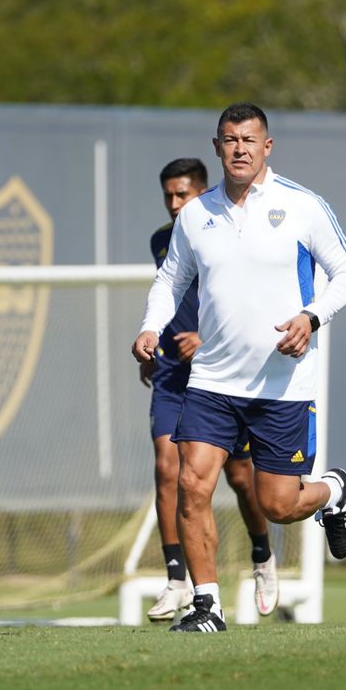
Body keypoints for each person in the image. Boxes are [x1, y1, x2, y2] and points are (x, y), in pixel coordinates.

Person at [131, 103, 346, 632]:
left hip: (283, 383)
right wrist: (151, 326)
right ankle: (206, 605)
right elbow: (170, 281)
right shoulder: (196, 215)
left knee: (277, 503)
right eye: (229, 139)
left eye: (249, 140)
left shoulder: (303, 206)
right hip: (212, 380)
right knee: (193, 484)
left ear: (267, 147)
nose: (239, 148)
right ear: (217, 148)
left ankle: (333, 491)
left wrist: (312, 316)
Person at [141, 158, 279, 623]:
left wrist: (208, 339)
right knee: (168, 470)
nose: (175, 204)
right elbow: (169, 291)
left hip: (221, 371)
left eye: (183, 195)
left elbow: (242, 300)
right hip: (172, 376)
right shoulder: (164, 241)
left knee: (241, 478)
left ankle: (262, 556)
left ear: (202, 192)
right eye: (168, 196)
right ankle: (179, 580)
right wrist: (152, 340)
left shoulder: (225, 232)